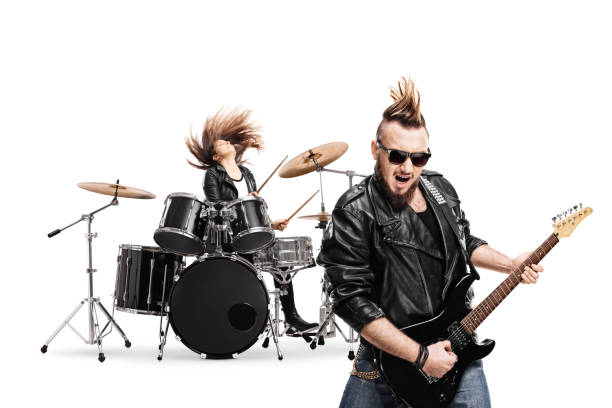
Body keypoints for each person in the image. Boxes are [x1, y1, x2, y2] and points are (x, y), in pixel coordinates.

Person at [316, 78, 544, 407]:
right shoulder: (355, 209)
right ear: (374, 150)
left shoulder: (440, 189)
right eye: (396, 156)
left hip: (456, 349)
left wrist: (511, 264)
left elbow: (464, 241)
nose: (407, 168)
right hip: (385, 362)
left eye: (419, 158)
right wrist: (421, 356)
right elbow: (352, 302)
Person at [186, 107, 318, 335]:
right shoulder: (213, 175)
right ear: (216, 156)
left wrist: (271, 224)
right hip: (226, 240)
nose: (227, 142)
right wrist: (241, 202)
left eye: (227, 141)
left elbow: (253, 211)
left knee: (282, 262)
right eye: (221, 143)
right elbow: (215, 208)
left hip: (250, 236)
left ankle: (292, 320)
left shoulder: (247, 174)